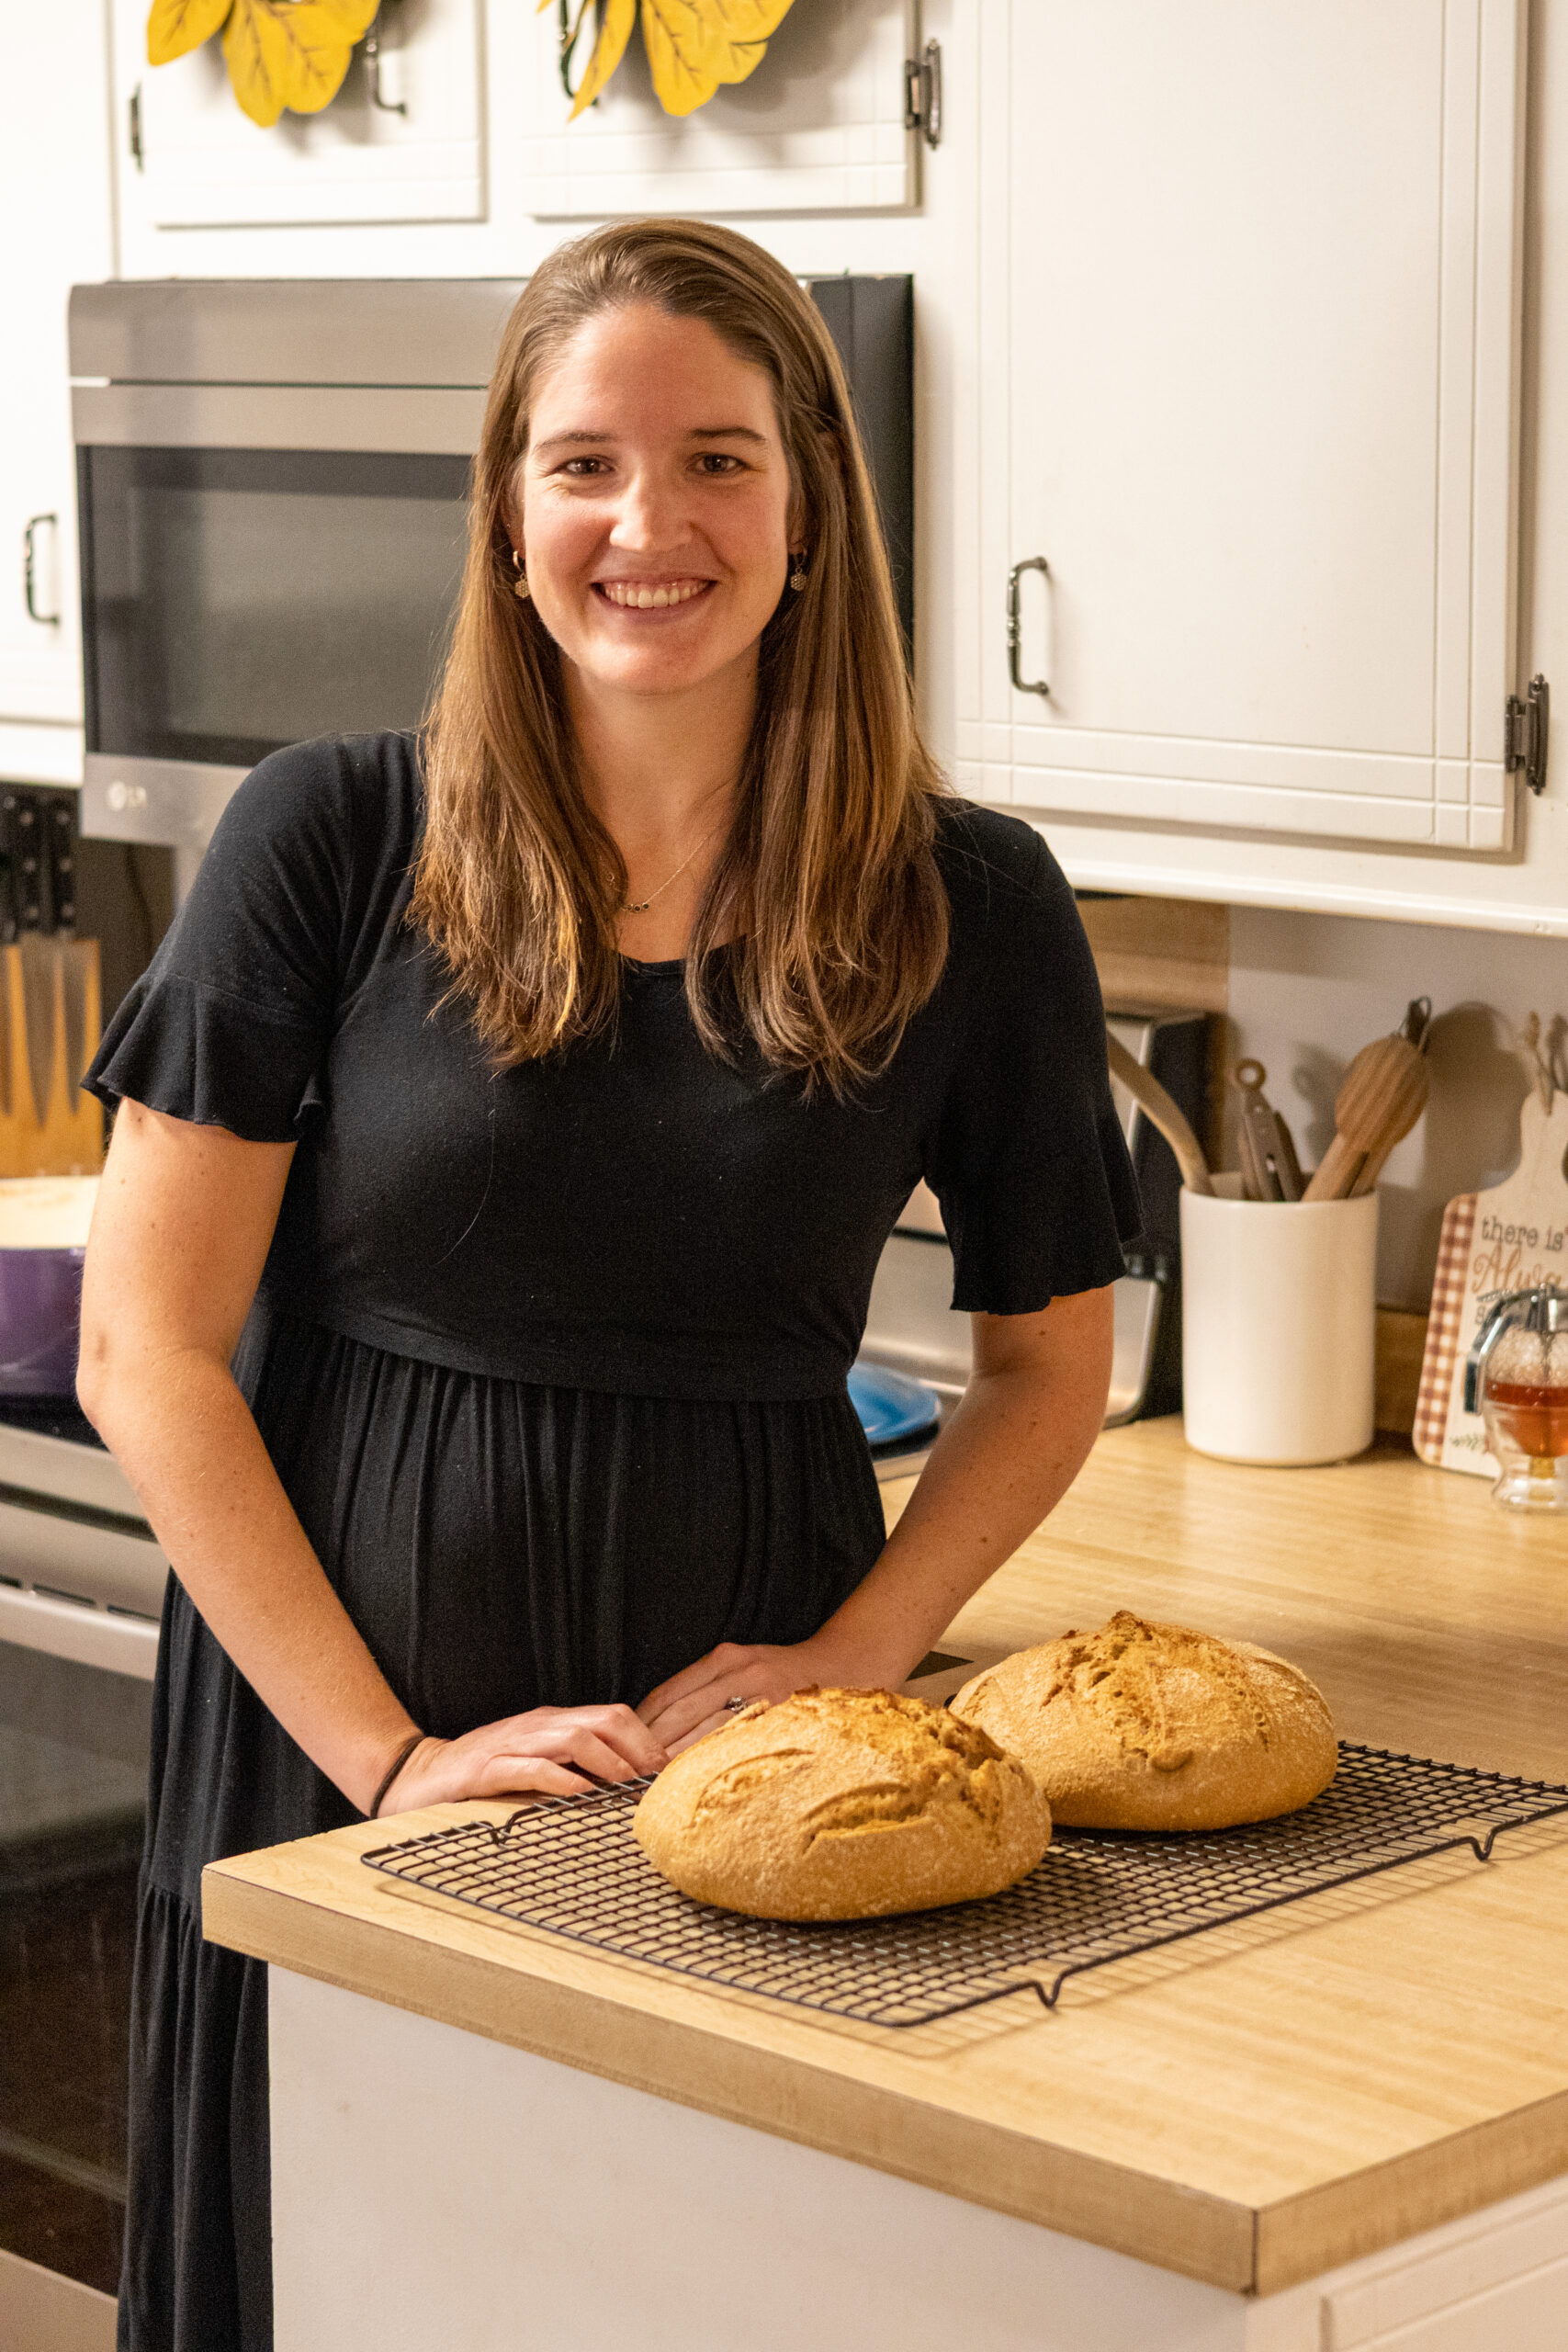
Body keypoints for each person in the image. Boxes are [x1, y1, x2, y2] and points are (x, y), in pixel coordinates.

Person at [78, 218, 1140, 2352]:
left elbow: (1042, 1368)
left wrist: (854, 1650)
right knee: (333, 2263)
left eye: (718, 460)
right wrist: (384, 1756)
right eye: (582, 464)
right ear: (505, 508)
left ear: (809, 508)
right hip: (343, 1704)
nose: (646, 524)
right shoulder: (330, 836)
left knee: (672, 2275)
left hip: (731, 1753)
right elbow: (146, 1347)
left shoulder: (969, 900)